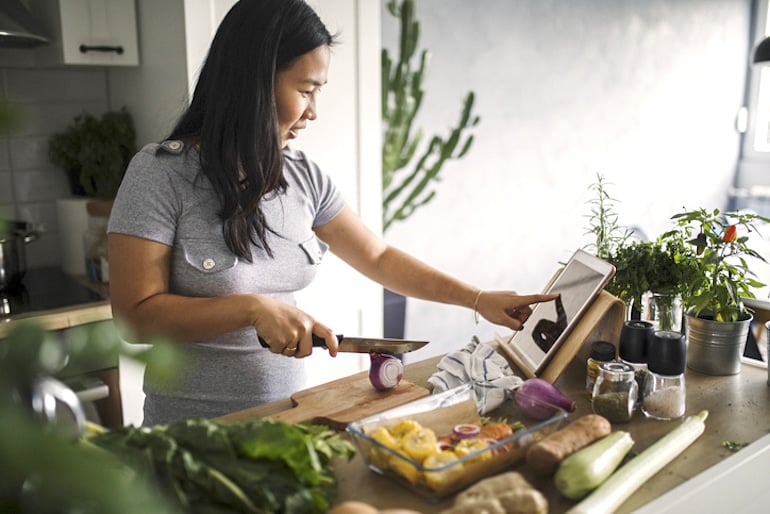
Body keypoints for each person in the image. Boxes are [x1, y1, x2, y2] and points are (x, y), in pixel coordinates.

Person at [107, 0, 557, 426]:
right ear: (253, 82)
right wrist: (250, 308)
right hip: (189, 435)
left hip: (288, 422)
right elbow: (134, 318)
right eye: (306, 90)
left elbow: (378, 258)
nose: (313, 112)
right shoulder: (160, 174)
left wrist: (478, 299)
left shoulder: (304, 177)